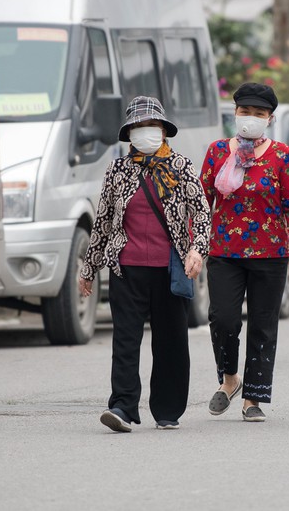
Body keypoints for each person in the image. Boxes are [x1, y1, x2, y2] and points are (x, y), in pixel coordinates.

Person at [78, 96, 211, 432]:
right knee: (125, 339)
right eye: (138, 127)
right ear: (129, 133)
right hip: (127, 268)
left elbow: (203, 213)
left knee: (170, 341)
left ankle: (167, 408)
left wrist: (197, 249)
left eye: (151, 126)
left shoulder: (180, 166)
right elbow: (104, 221)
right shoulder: (118, 170)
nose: (145, 132)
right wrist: (89, 268)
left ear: (163, 131)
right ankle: (122, 407)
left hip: (171, 269)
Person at [200, 82, 289, 422]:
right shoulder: (217, 152)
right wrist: (195, 247)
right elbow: (202, 204)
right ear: (235, 113)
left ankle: (253, 399)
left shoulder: (282, 155)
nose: (251, 118)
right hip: (225, 252)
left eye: (259, 114)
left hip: (271, 254)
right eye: (246, 112)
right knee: (223, 319)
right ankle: (230, 379)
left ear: (269, 118)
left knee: (263, 324)